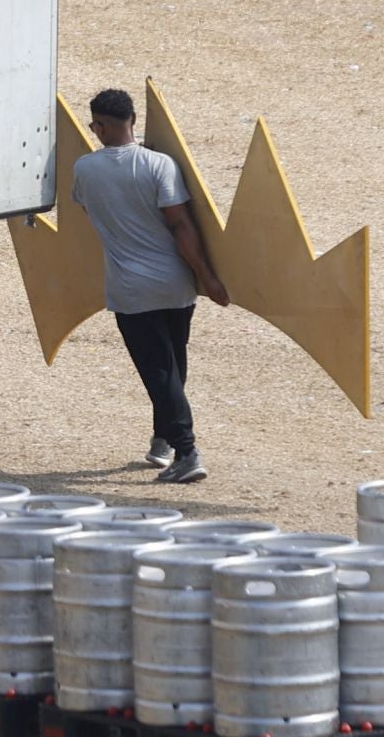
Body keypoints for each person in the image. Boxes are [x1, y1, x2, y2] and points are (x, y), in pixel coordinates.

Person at [70, 87, 230, 485]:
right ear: (134, 122)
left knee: (158, 371)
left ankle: (187, 450)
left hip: (132, 290)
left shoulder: (85, 170)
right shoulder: (161, 164)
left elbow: (89, 208)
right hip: (177, 284)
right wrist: (208, 277)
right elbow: (181, 225)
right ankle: (163, 441)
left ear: (98, 126)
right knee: (173, 366)